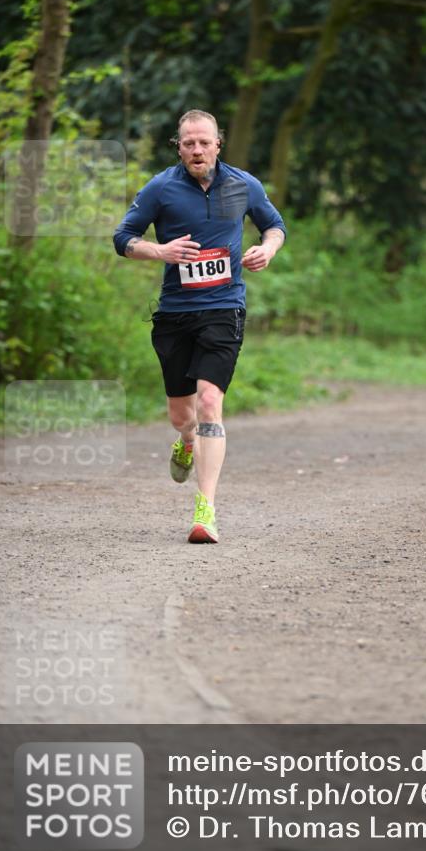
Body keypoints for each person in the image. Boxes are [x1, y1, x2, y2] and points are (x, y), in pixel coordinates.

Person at [113, 109, 286, 543]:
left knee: (210, 401)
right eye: (188, 143)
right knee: (182, 415)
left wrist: (267, 250)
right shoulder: (161, 188)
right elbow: (123, 238)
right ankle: (187, 440)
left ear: (218, 144)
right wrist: (160, 251)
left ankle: (205, 510)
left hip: (224, 308)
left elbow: (275, 226)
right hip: (175, 313)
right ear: (179, 147)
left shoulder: (243, 185)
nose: (196, 150)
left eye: (204, 142)